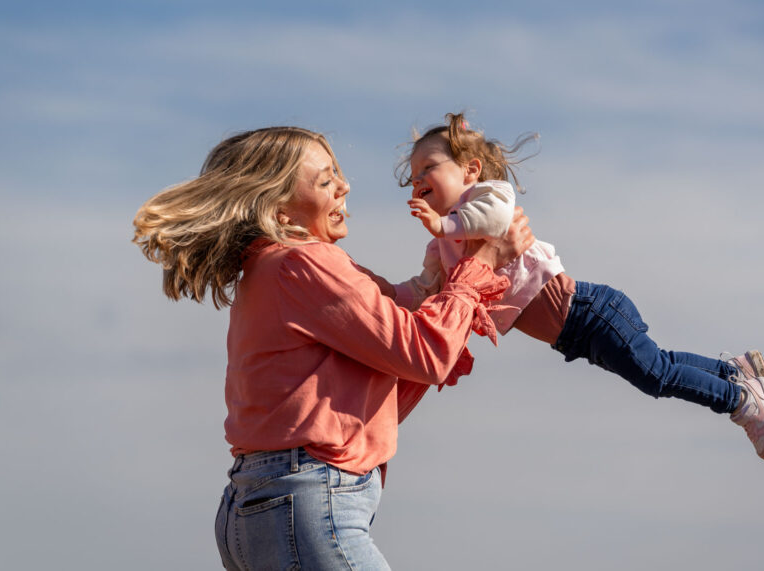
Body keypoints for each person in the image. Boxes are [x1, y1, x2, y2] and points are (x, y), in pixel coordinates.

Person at [132, 126, 533, 570]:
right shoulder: (304, 264)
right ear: (281, 212)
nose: (344, 186)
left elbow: (401, 321)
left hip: (261, 506)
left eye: (338, 174)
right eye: (325, 181)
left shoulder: (271, 270)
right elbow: (427, 352)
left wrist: (457, 268)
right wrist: (483, 262)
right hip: (304, 503)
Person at [373, 113, 764, 461]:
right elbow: (425, 291)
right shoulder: (442, 245)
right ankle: (736, 371)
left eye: (429, 168)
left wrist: (445, 224)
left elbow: (494, 218)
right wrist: (381, 293)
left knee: (656, 375)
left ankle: (740, 402)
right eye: (413, 177)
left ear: (471, 170)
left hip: (589, 311)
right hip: (574, 337)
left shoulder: (488, 198)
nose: (419, 180)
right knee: (662, 362)